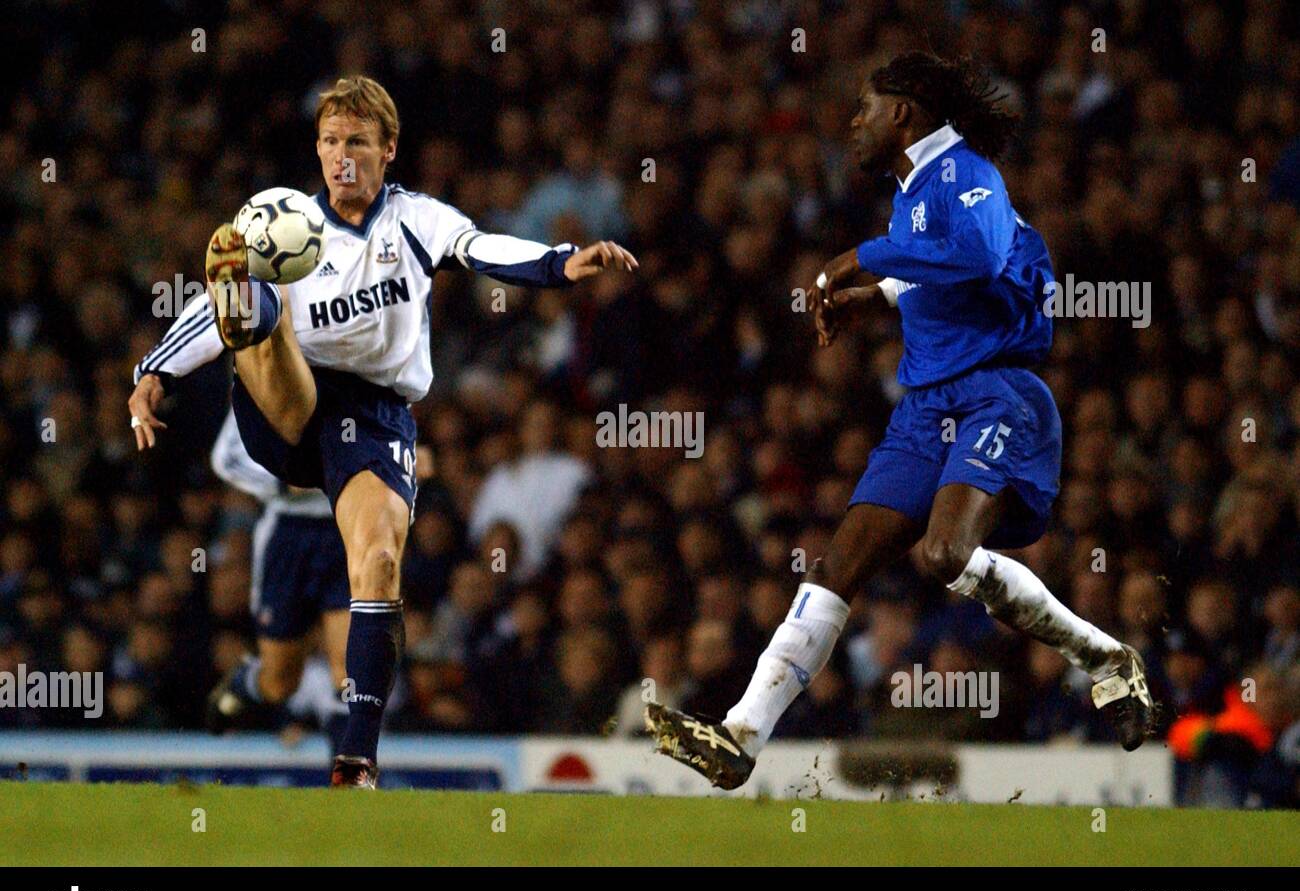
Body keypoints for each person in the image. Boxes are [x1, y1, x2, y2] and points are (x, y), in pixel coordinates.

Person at [646, 52, 1155, 790]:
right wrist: (879, 296)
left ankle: (1107, 659)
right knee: (835, 566)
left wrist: (858, 257)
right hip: (925, 408)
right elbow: (944, 272)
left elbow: (979, 257)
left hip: (994, 394)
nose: (853, 122)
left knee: (944, 556)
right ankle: (740, 736)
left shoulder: (965, 172)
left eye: (865, 108)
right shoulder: (915, 189)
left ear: (905, 113)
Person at [128, 75, 637, 788]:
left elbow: (478, 245)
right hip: (286, 407)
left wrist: (558, 263)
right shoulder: (289, 226)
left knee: (380, 564)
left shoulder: (412, 220)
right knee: (255, 307)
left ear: (387, 149)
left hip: (371, 420)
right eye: (332, 141)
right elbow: (204, 306)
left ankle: (356, 761)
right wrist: (155, 373)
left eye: (358, 143)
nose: (343, 157)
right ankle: (251, 313)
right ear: (318, 146)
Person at [205, 408, 351, 756]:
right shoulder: (263, 387)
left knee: (352, 668)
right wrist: (284, 481)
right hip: (288, 536)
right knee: (281, 680)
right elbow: (227, 458)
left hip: (348, 530)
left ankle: (349, 777)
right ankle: (244, 683)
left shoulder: (360, 375)